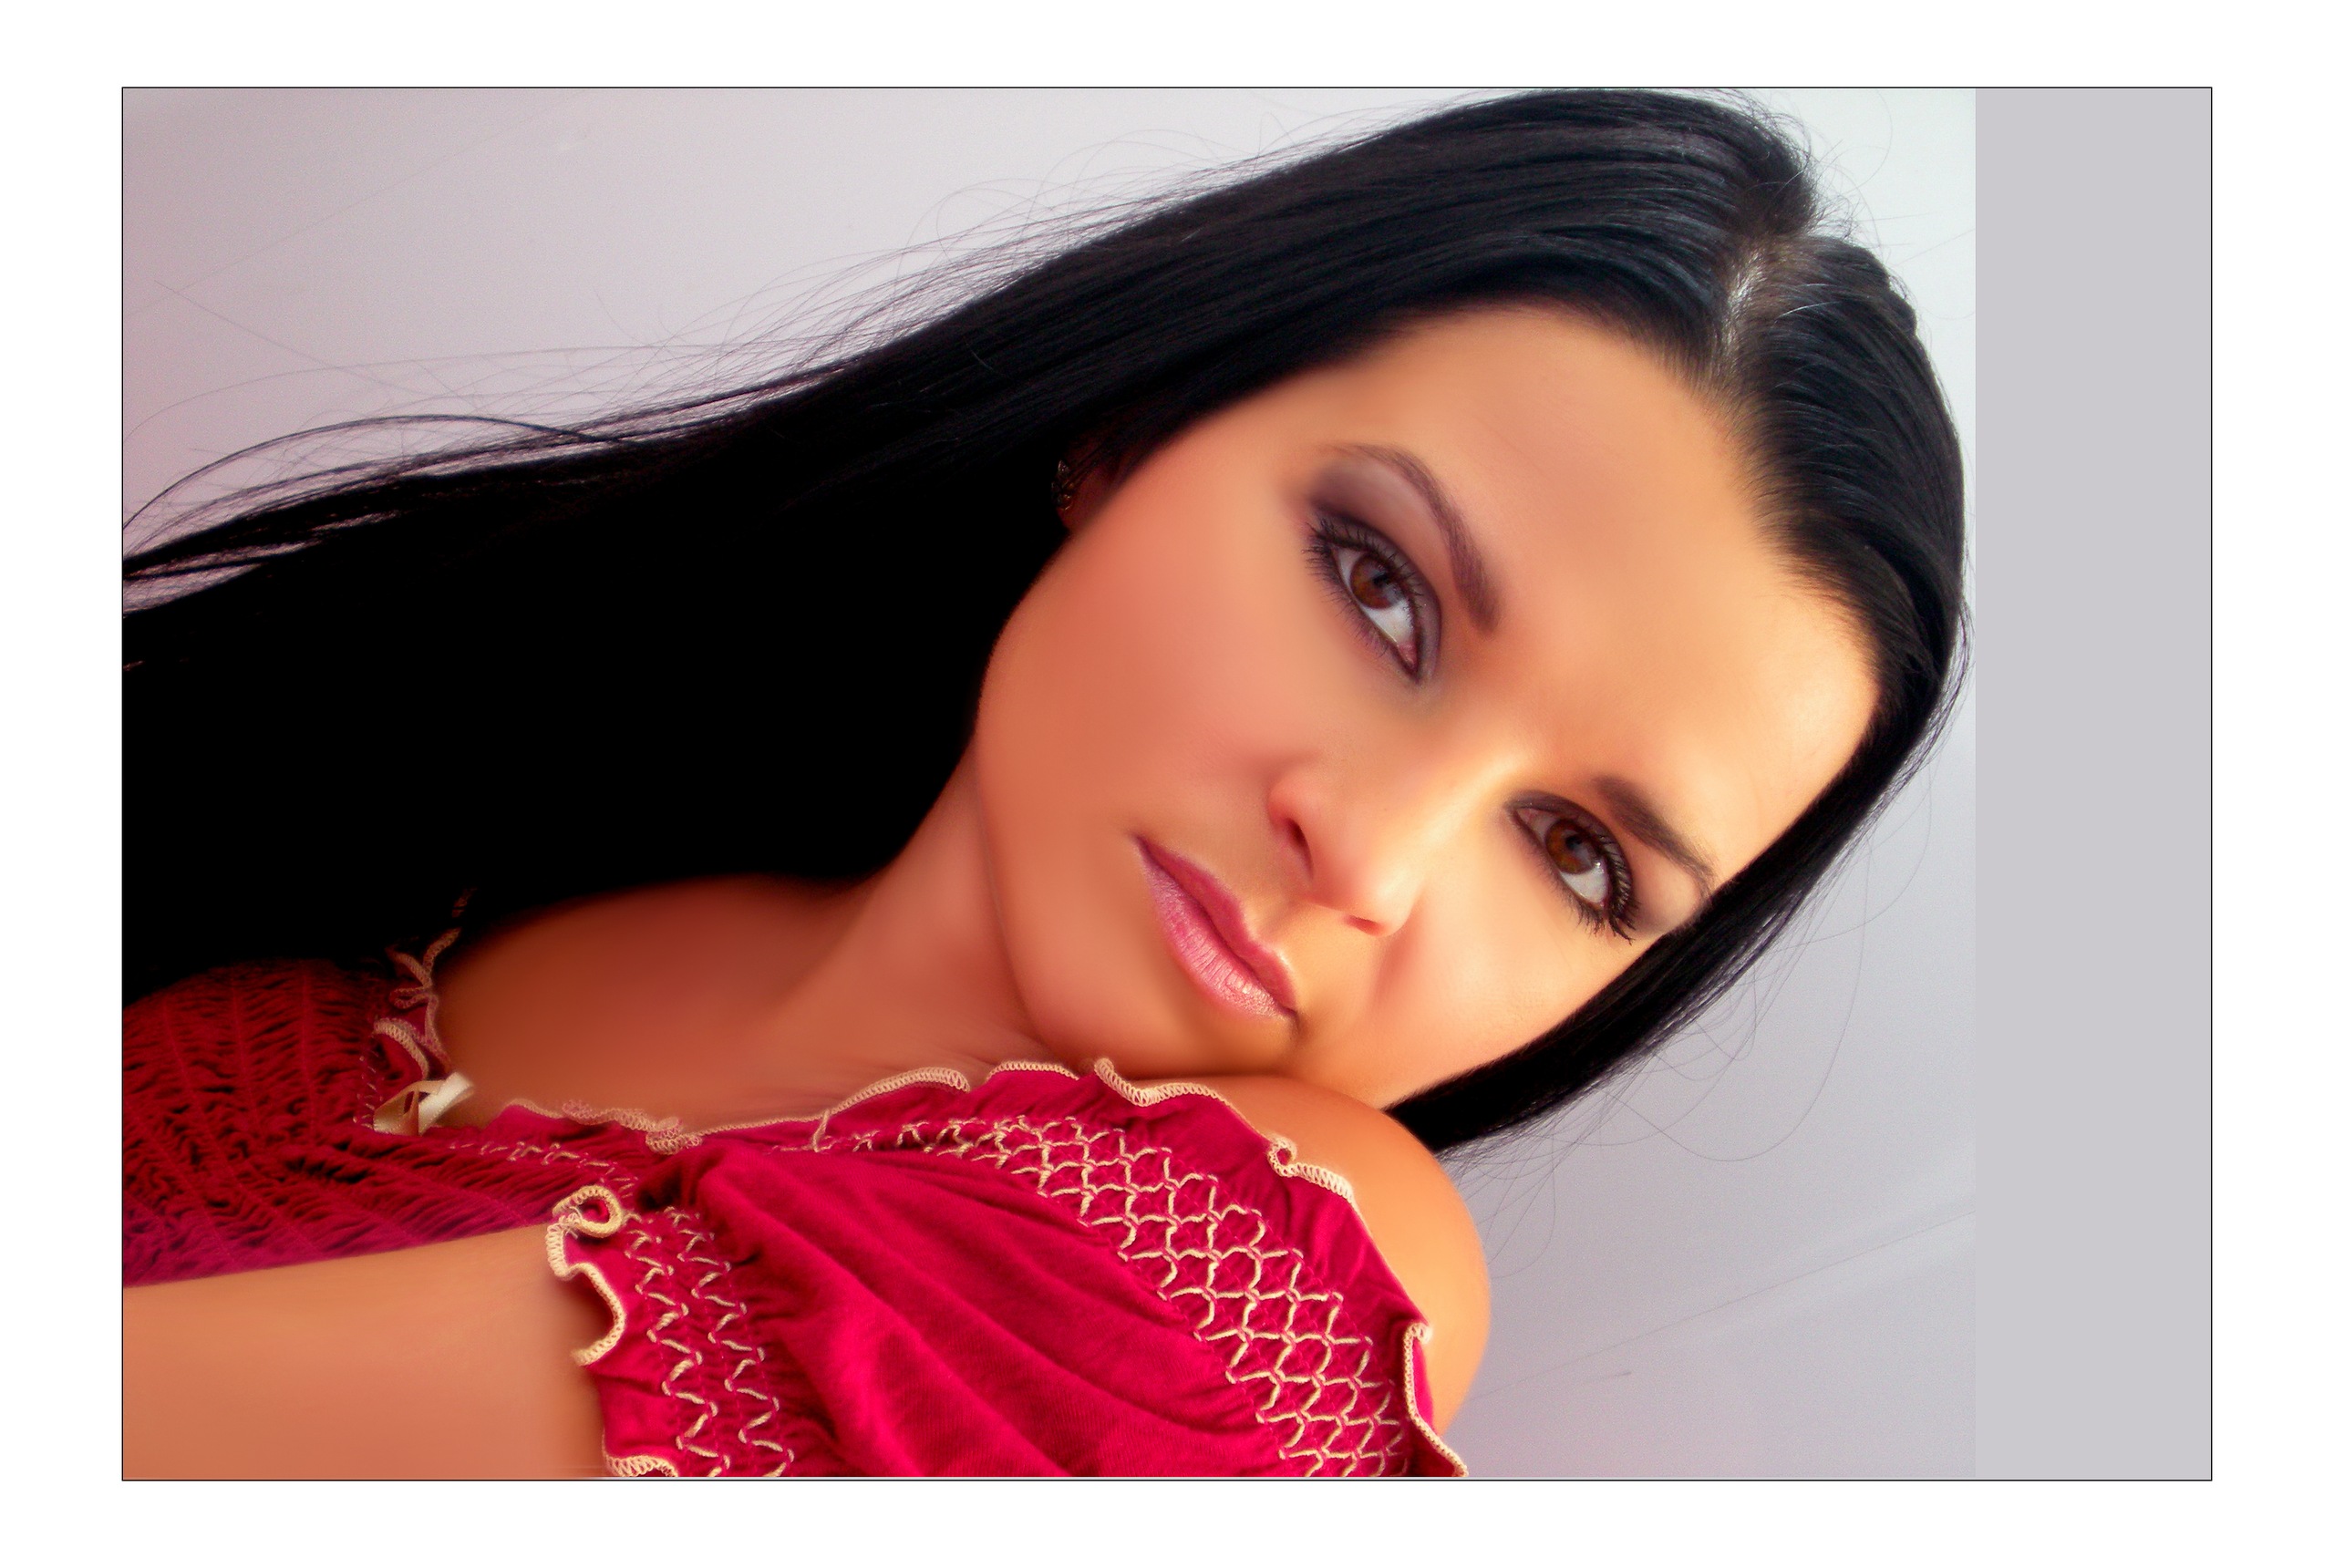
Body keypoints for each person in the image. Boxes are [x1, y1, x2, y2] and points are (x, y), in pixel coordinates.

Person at [120, 88, 1966, 1477]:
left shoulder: (1271, 1279)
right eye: (1377, 586)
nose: (1369, 852)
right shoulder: (515, 817)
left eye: (1573, 855)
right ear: (1131, 429)